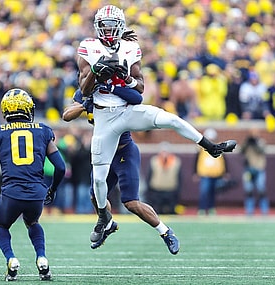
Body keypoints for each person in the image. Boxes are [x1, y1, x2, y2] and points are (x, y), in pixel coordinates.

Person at [77, 4, 237, 244]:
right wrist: (96, 72)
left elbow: (140, 87)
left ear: (120, 27)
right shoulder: (88, 48)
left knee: (169, 118)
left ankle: (210, 146)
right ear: (97, 27)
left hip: (126, 111)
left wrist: (126, 78)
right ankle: (103, 218)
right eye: (104, 26)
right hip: (103, 118)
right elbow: (83, 89)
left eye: (112, 26)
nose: (108, 30)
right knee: (98, 180)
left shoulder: (130, 48)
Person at [0, 88, 66, 281]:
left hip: (11, 193)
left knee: (1, 226)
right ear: (28, 109)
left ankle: (11, 260)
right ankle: (42, 259)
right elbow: (60, 167)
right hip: (36, 192)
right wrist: (53, 189)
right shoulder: (43, 130)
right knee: (33, 222)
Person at [62, 88, 181, 254]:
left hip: (124, 151)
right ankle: (108, 224)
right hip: (104, 153)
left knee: (131, 203)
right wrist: (84, 104)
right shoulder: (86, 92)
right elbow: (67, 115)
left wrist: (117, 90)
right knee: (96, 196)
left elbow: (137, 98)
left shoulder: (117, 90)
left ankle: (165, 232)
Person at [193, 128, 230, 216]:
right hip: (205, 174)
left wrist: (225, 172)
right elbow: (196, 160)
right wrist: (195, 172)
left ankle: (211, 208)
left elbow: (223, 160)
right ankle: (202, 208)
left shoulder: (218, 148)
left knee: (213, 193)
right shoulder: (201, 149)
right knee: (204, 192)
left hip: (216, 174)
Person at [146, 141, 182, 214]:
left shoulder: (176, 161)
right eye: (163, 151)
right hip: (157, 190)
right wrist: (149, 189)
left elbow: (180, 177)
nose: (164, 153)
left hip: (171, 189)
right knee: (157, 211)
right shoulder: (154, 160)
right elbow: (149, 175)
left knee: (171, 211)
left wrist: (178, 189)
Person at [241, 128, 269, 216]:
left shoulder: (261, 142)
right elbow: (241, 151)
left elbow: (261, 150)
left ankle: (264, 210)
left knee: (261, 190)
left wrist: (255, 143)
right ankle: (249, 211)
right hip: (249, 169)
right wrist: (247, 143)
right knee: (249, 190)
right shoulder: (247, 142)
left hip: (259, 168)